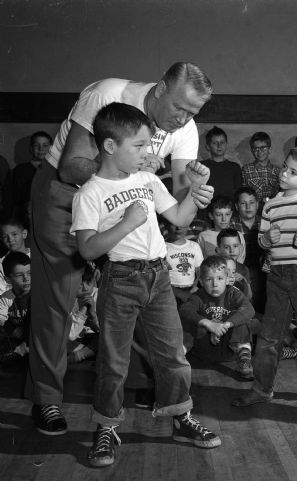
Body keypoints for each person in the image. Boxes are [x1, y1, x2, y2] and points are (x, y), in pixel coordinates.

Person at [27, 62, 214, 436]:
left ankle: (143, 390)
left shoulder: (185, 129)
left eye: (194, 113)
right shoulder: (108, 93)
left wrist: (194, 188)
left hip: (129, 204)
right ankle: (46, 397)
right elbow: (71, 165)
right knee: (59, 299)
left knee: (139, 296)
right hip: (67, 197)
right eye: (180, 108)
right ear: (160, 89)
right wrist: (129, 168)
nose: (184, 119)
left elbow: (175, 204)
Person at [71, 103, 220, 467]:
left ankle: (181, 417)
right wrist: (127, 223)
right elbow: (88, 248)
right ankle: (106, 427)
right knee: (113, 361)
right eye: (138, 146)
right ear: (109, 146)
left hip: (159, 276)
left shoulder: (149, 181)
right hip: (119, 279)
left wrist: (196, 193)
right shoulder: (88, 193)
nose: (148, 154)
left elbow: (181, 218)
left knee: (174, 355)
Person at [232, 146, 297, 409]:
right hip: (276, 276)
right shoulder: (270, 204)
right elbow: (262, 241)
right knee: (268, 337)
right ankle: (263, 389)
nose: (284, 173)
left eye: (293, 172)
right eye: (285, 167)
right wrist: (267, 239)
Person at [180, 255, 255, 379]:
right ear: (201, 282)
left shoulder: (233, 293)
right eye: (209, 279)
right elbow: (184, 310)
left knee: (242, 318)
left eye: (220, 278)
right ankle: (178, 355)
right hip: (203, 350)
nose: (215, 284)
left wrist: (225, 325)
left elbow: (249, 310)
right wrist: (209, 324)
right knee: (189, 320)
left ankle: (245, 359)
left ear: (227, 279)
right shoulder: (198, 296)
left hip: (230, 350)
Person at [12, 131, 52, 219]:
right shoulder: (20, 170)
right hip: (25, 216)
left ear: (51, 148)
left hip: (49, 217)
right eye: (36, 145)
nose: (41, 149)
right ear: (31, 149)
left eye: (45, 145)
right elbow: (15, 197)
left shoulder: (56, 170)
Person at [0, 252, 31, 365]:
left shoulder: (39, 295)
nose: (26, 278)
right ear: (8, 279)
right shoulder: (6, 298)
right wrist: (12, 329)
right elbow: (1, 319)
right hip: (16, 339)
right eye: (19, 275)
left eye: (29, 273)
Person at [164, 221, 204, 305]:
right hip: (170, 291)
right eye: (174, 224)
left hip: (192, 290)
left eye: (182, 224)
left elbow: (200, 270)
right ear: (166, 225)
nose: (178, 228)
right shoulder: (162, 247)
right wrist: (179, 293)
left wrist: (195, 287)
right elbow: (162, 276)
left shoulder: (194, 246)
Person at [198, 196, 246, 261]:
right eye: (219, 215)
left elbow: (240, 260)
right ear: (211, 215)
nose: (224, 219)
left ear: (231, 214)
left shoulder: (238, 235)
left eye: (227, 214)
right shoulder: (203, 236)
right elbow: (199, 261)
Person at [202, 126, 242, 199]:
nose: (219, 146)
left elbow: (238, 194)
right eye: (215, 143)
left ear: (226, 144)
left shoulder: (235, 168)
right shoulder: (201, 167)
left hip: (229, 209)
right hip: (207, 209)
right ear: (208, 146)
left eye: (222, 142)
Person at [241, 131, 280, 207]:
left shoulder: (278, 171)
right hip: (253, 211)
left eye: (263, 148)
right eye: (256, 148)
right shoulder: (246, 170)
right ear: (252, 150)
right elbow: (243, 193)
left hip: (273, 209)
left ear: (270, 149)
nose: (259, 152)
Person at [216, 229, 253, 300]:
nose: (232, 250)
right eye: (226, 247)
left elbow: (249, 297)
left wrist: (244, 281)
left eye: (235, 246)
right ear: (218, 250)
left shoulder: (243, 269)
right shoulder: (214, 267)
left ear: (241, 248)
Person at [0, 217, 30, 294]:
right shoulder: (1, 265)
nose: (10, 239)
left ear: (24, 234)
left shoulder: (39, 256)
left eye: (14, 234)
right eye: (5, 237)